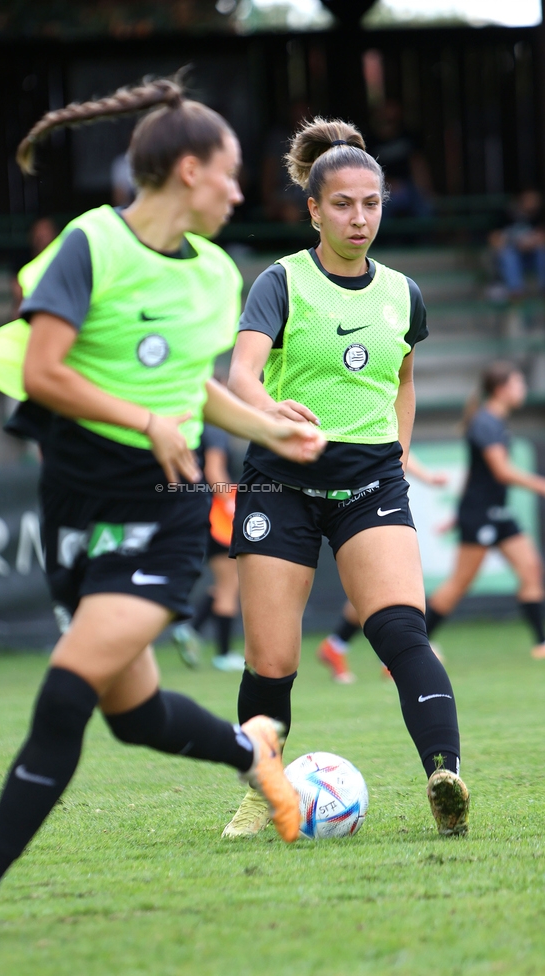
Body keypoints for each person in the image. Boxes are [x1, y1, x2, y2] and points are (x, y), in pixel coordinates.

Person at [0, 76, 328, 943]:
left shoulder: (218, 272)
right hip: (74, 505)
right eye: (229, 175)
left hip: (167, 509)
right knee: (135, 716)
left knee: (66, 689)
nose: (237, 191)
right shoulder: (90, 246)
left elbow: (189, 388)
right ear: (187, 171)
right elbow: (44, 373)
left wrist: (267, 426)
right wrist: (146, 418)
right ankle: (249, 751)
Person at [223, 117, 469, 840]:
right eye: (342, 205)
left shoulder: (403, 293)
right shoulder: (281, 282)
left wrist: (397, 450)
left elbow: (405, 380)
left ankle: (444, 775)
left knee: (401, 631)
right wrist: (271, 409)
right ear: (313, 209)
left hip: (370, 483)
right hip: (280, 482)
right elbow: (239, 376)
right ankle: (263, 790)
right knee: (272, 662)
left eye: (371, 203)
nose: (359, 217)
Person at [424, 362, 545, 659]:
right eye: (518, 384)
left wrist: (455, 516)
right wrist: (538, 483)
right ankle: (410, 650)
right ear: (502, 389)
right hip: (480, 515)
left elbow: (473, 474)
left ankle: (541, 644)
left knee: (531, 570)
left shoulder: (495, 421)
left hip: (497, 513)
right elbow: (501, 471)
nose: (523, 390)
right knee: (458, 584)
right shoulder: (485, 422)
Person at [318, 452, 449, 683]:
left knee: (378, 588)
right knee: (383, 587)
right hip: (362, 505)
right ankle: (390, 657)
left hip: (385, 497)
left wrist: (427, 477)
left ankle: (337, 646)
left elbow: (398, 447)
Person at [172, 423, 244, 671]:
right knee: (229, 586)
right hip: (217, 518)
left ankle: (190, 628)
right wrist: (230, 505)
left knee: (224, 585)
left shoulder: (193, 428)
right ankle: (223, 654)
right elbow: (214, 471)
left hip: (201, 513)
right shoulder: (214, 431)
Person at [488, 191, 545, 300]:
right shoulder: (505, 215)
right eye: (529, 199)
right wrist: (516, 244)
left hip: (531, 256)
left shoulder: (538, 216)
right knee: (508, 254)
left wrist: (531, 244)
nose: (532, 203)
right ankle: (516, 291)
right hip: (512, 258)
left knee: (542, 252)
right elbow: (494, 240)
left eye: (535, 200)